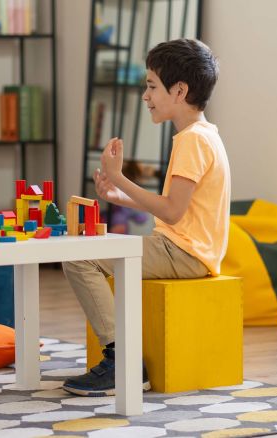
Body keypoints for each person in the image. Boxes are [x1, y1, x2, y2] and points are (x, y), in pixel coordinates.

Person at [62, 38, 229, 396]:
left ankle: (122, 360)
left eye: (152, 86)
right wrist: (118, 196)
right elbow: (174, 207)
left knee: (80, 256)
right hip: (186, 248)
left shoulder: (191, 141)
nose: (145, 95)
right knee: (89, 251)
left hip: (184, 253)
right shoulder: (203, 135)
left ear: (179, 90)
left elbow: (171, 210)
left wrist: (120, 176)